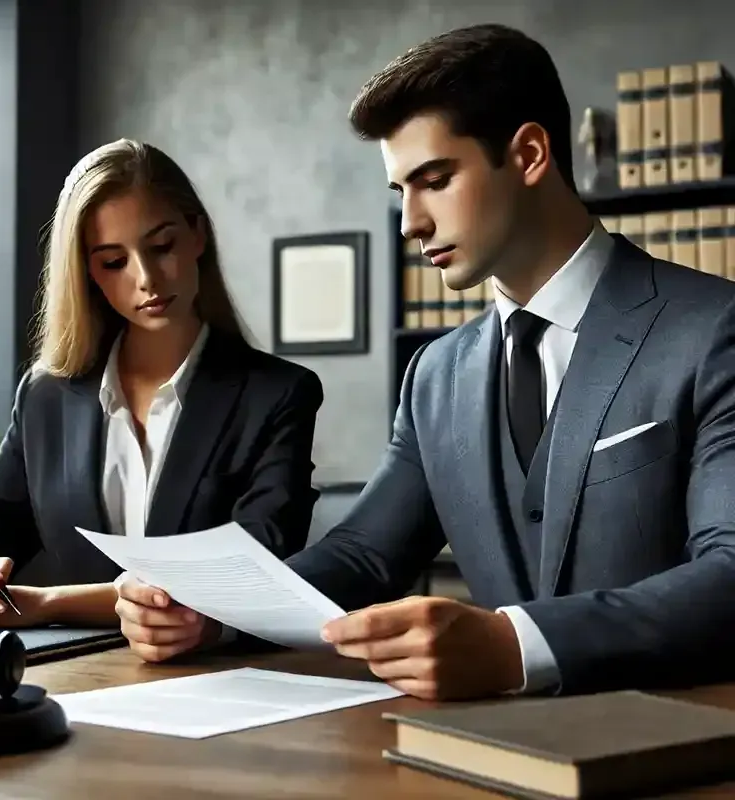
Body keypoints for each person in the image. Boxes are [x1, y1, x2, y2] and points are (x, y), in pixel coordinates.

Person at [129, 24, 735, 692]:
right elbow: (362, 556)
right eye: (401, 192)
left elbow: (729, 571)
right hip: (484, 761)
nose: (409, 223)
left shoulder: (712, 330)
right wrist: (211, 615)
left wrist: (512, 645)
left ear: (530, 154)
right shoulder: (435, 376)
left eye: (436, 180)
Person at [0, 139, 323, 660]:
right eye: (114, 261)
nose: (145, 278)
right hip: (74, 680)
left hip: (217, 680)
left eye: (161, 247)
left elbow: (256, 570)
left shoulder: (278, 394)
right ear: (88, 274)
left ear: (197, 235)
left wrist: (44, 601)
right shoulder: (46, 397)